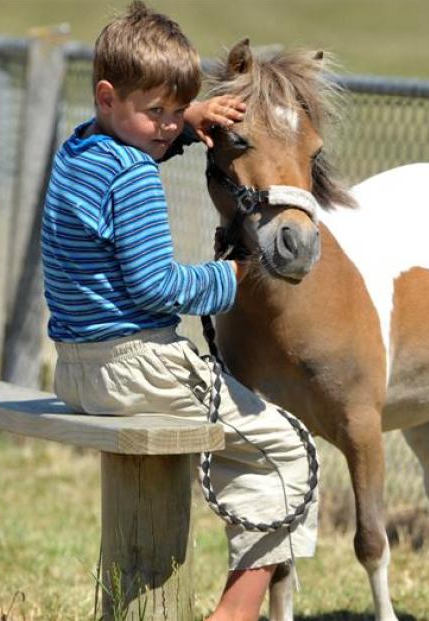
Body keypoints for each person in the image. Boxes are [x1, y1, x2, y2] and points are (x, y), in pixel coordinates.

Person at [40, 3, 318, 619]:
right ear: (109, 97)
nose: (168, 129)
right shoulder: (134, 175)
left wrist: (186, 116)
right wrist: (237, 274)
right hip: (136, 366)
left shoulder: (80, 150)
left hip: (76, 370)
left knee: (254, 440)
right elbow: (158, 288)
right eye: (156, 112)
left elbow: (140, 133)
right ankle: (234, 615)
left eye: (175, 112)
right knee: (288, 450)